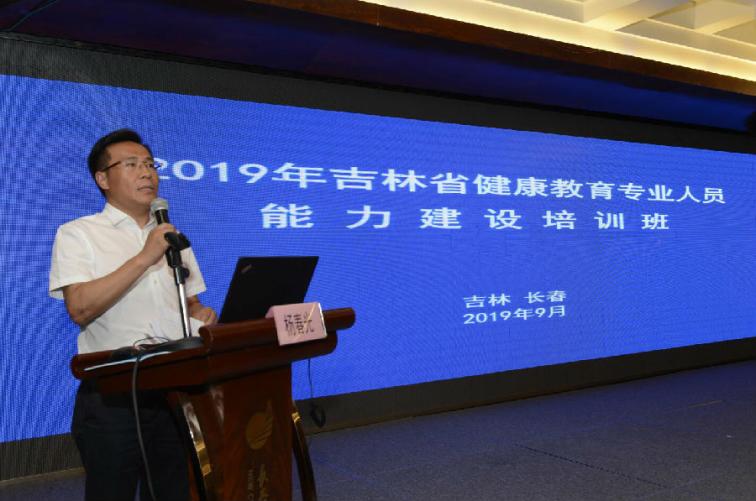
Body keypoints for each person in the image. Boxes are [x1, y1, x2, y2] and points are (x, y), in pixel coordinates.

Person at [49, 129, 217, 501]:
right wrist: (144, 257)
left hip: (173, 390)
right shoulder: (78, 233)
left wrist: (203, 315)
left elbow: (190, 304)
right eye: (131, 164)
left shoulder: (172, 236)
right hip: (114, 394)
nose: (146, 173)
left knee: (173, 492)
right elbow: (79, 307)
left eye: (150, 164)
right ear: (103, 179)